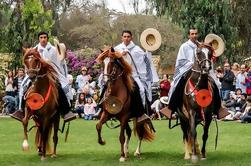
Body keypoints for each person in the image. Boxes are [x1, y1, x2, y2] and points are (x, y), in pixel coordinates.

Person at [11, 31, 76, 122]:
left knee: (60, 87)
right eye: (41, 37)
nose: (43, 39)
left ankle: (66, 111)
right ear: (39, 39)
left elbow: (60, 63)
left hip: (52, 73)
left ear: (47, 38)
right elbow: (28, 63)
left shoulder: (54, 49)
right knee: (24, 86)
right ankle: (21, 111)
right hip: (36, 74)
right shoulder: (34, 50)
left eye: (45, 37)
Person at [167, 28, 222, 118]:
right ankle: (171, 108)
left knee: (215, 84)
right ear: (189, 35)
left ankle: (218, 109)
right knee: (175, 85)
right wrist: (193, 64)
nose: (194, 35)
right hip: (187, 70)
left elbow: (207, 57)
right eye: (192, 34)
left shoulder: (202, 46)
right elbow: (180, 62)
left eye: (196, 33)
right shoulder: (184, 46)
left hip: (202, 71)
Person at [114, 30, 159, 122]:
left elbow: (144, 61)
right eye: (125, 36)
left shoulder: (137, 49)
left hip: (133, 75)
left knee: (142, 90)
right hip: (120, 75)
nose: (126, 38)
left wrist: (148, 51)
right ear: (121, 37)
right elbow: (112, 61)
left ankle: (141, 113)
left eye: (128, 36)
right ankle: (103, 107)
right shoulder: (117, 49)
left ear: (131, 38)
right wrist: (120, 56)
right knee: (107, 86)